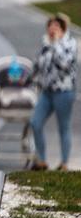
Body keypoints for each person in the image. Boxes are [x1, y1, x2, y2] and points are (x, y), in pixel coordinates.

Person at [29, 13, 77, 172]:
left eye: (56, 26)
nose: (52, 29)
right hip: (47, 92)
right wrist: (28, 79)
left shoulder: (69, 44)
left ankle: (64, 163)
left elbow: (64, 64)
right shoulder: (45, 44)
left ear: (62, 28)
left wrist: (56, 43)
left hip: (64, 92)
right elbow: (38, 65)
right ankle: (41, 160)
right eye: (50, 25)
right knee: (36, 122)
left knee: (63, 127)